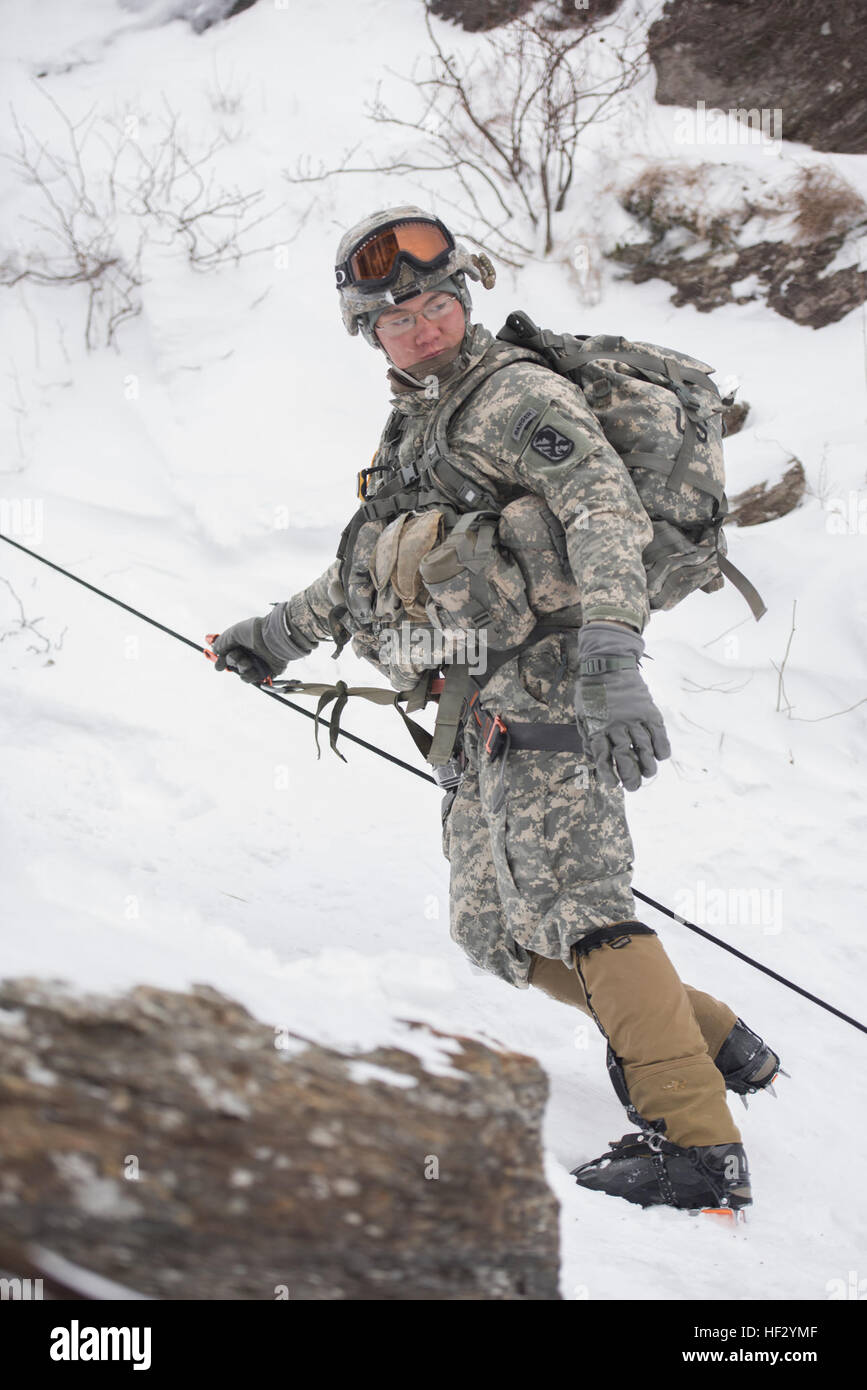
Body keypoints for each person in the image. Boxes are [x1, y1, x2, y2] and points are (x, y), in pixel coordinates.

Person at [211, 207, 781, 1215]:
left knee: (582, 904)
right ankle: (709, 1038)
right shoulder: (416, 428)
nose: (420, 326)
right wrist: (268, 635)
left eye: (434, 304)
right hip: (468, 706)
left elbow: (602, 502)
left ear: (462, 297)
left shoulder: (512, 395)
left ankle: (697, 1145)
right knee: (496, 931)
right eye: (396, 319)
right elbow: (363, 578)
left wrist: (612, 653)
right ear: (370, 336)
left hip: (550, 680)